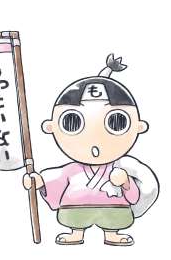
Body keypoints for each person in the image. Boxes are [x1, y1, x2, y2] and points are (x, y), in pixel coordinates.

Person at [23, 54, 158, 246]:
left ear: (138, 127)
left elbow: (133, 195)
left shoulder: (121, 167)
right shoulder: (72, 170)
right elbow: (57, 179)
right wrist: (38, 181)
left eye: (117, 122)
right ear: (51, 127)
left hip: (114, 210)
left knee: (115, 218)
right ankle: (76, 232)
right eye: (72, 122)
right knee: (74, 217)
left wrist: (126, 182)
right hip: (75, 209)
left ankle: (112, 233)